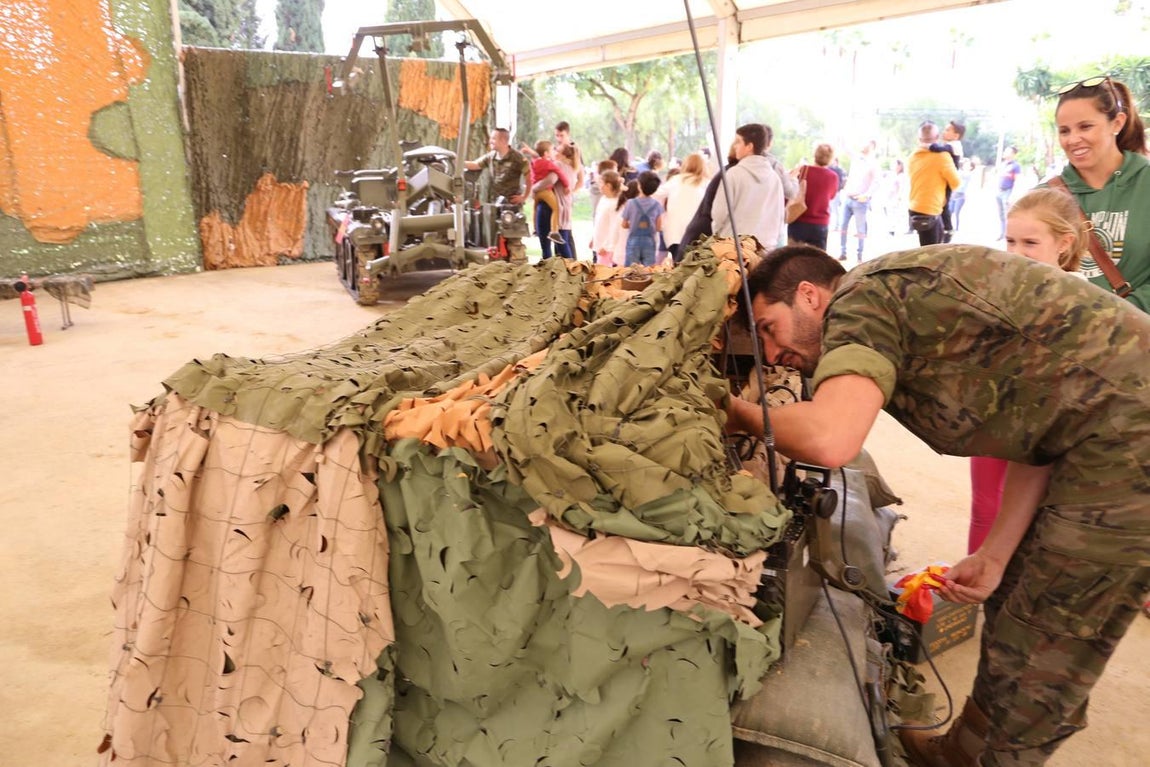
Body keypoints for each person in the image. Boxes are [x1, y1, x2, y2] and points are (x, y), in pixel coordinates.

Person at [725, 243, 1150, 767]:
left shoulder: (860, 300)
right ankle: (964, 753)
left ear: (810, 296)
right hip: (1100, 432)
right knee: (1016, 600)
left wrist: (735, 412)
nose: (770, 354)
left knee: (1050, 645)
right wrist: (995, 554)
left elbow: (831, 439)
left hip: (1133, 441)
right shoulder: (893, 300)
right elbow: (1037, 433)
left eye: (768, 327)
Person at [968, 188, 1091, 555]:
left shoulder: (1085, 302)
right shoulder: (994, 289)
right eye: (1010, 241)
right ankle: (976, 592)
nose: (1016, 252)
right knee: (985, 508)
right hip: (993, 417)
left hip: (1050, 429)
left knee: (1042, 518)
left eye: (1030, 242)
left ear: (1064, 244)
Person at [1048, 75, 1150, 310]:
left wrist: (1113, 317)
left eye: (1085, 126)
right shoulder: (1044, 197)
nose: (1073, 139)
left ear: (1117, 123)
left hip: (1137, 336)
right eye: (1064, 131)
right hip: (1063, 338)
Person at [711, 123, 784, 249]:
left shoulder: (734, 174)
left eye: (738, 142)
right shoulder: (774, 178)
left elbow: (719, 214)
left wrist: (717, 238)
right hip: (764, 249)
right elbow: (779, 217)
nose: (735, 146)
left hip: (733, 250)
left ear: (749, 146)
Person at [464, 127, 528, 251]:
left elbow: (529, 177)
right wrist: (458, 160)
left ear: (504, 141)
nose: (490, 140)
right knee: (491, 236)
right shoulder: (491, 157)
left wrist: (524, 196)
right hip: (495, 204)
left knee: (512, 238)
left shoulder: (517, 158)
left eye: (494, 138)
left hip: (511, 205)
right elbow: (475, 165)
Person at [679, 141, 738, 255]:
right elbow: (718, 212)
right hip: (705, 233)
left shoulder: (678, 180)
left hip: (691, 230)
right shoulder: (731, 173)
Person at [908, 121, 960, 246]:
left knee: (931, 246)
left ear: (919, 139)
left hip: (914, 208)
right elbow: (956, 183)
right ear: (937, 138)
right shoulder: (942, 157)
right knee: (930, 254)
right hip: (930, 211)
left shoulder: (912, 157)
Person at [654, 151, 710, 263]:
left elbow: (655, 194)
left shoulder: (676, 180)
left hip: (673, 234)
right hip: (698, 235)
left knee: (678, 265)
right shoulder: (706, 183)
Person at [786, 143, 840, 251]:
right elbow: (832, 196)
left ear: (814, 155)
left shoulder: (802, 170)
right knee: (817, 261)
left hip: (798, 220)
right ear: (830, 158)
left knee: (792, 259)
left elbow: (788, 190)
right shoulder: (833, 177)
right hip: (820, 224)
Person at [838, 140, 879, 261]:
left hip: (860, 200)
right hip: (848, 197)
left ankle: (859, 255)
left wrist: (867, 195)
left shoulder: (873, 164)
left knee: (860, 229)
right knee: (842, 226)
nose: (863, 145)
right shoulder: (856, 158)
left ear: (872, 147)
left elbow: (877, 182)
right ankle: (843, 252)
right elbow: (845, 147)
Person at [528, 140, 571, 246]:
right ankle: (554, 231)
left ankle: (535, 229)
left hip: (536, 192)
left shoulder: (534, 162)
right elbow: (559, 173)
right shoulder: (548, 164)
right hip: (545, 191)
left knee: (535, 209)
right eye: (552, 150)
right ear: (546, 153)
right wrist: (566, 185)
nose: (553, 152)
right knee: (556, 208)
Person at [619, 170, 664, 267]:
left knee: (631, 269)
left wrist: (633, 224)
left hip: (633, 240)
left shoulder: (630, 203)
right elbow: (659, 227)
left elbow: (624, 224)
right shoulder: (657, 205)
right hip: (650, 241)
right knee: (648, 270)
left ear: (639, 185)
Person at [590, 169, 623, 266]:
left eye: (601, 183)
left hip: (608, 248)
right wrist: (593, 239)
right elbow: (599, 222)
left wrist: (606, 245)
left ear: (608, 185)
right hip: (600, 244)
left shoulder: (615, 204)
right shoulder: (603, 199)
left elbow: (615, 227)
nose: (599, 186)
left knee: (604, 275)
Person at [995, 146, 1022, 240]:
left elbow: (1017, 181)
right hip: (999, 191)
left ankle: (1009, 235)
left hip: (1008, 191)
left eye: (1007, 151)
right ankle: (1002, 233)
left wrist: (1012, 195)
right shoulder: (1003, 165)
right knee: (1001, 214)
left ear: (1013, 154)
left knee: (1007, 214)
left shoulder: (1015, 166)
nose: (1005, 153)